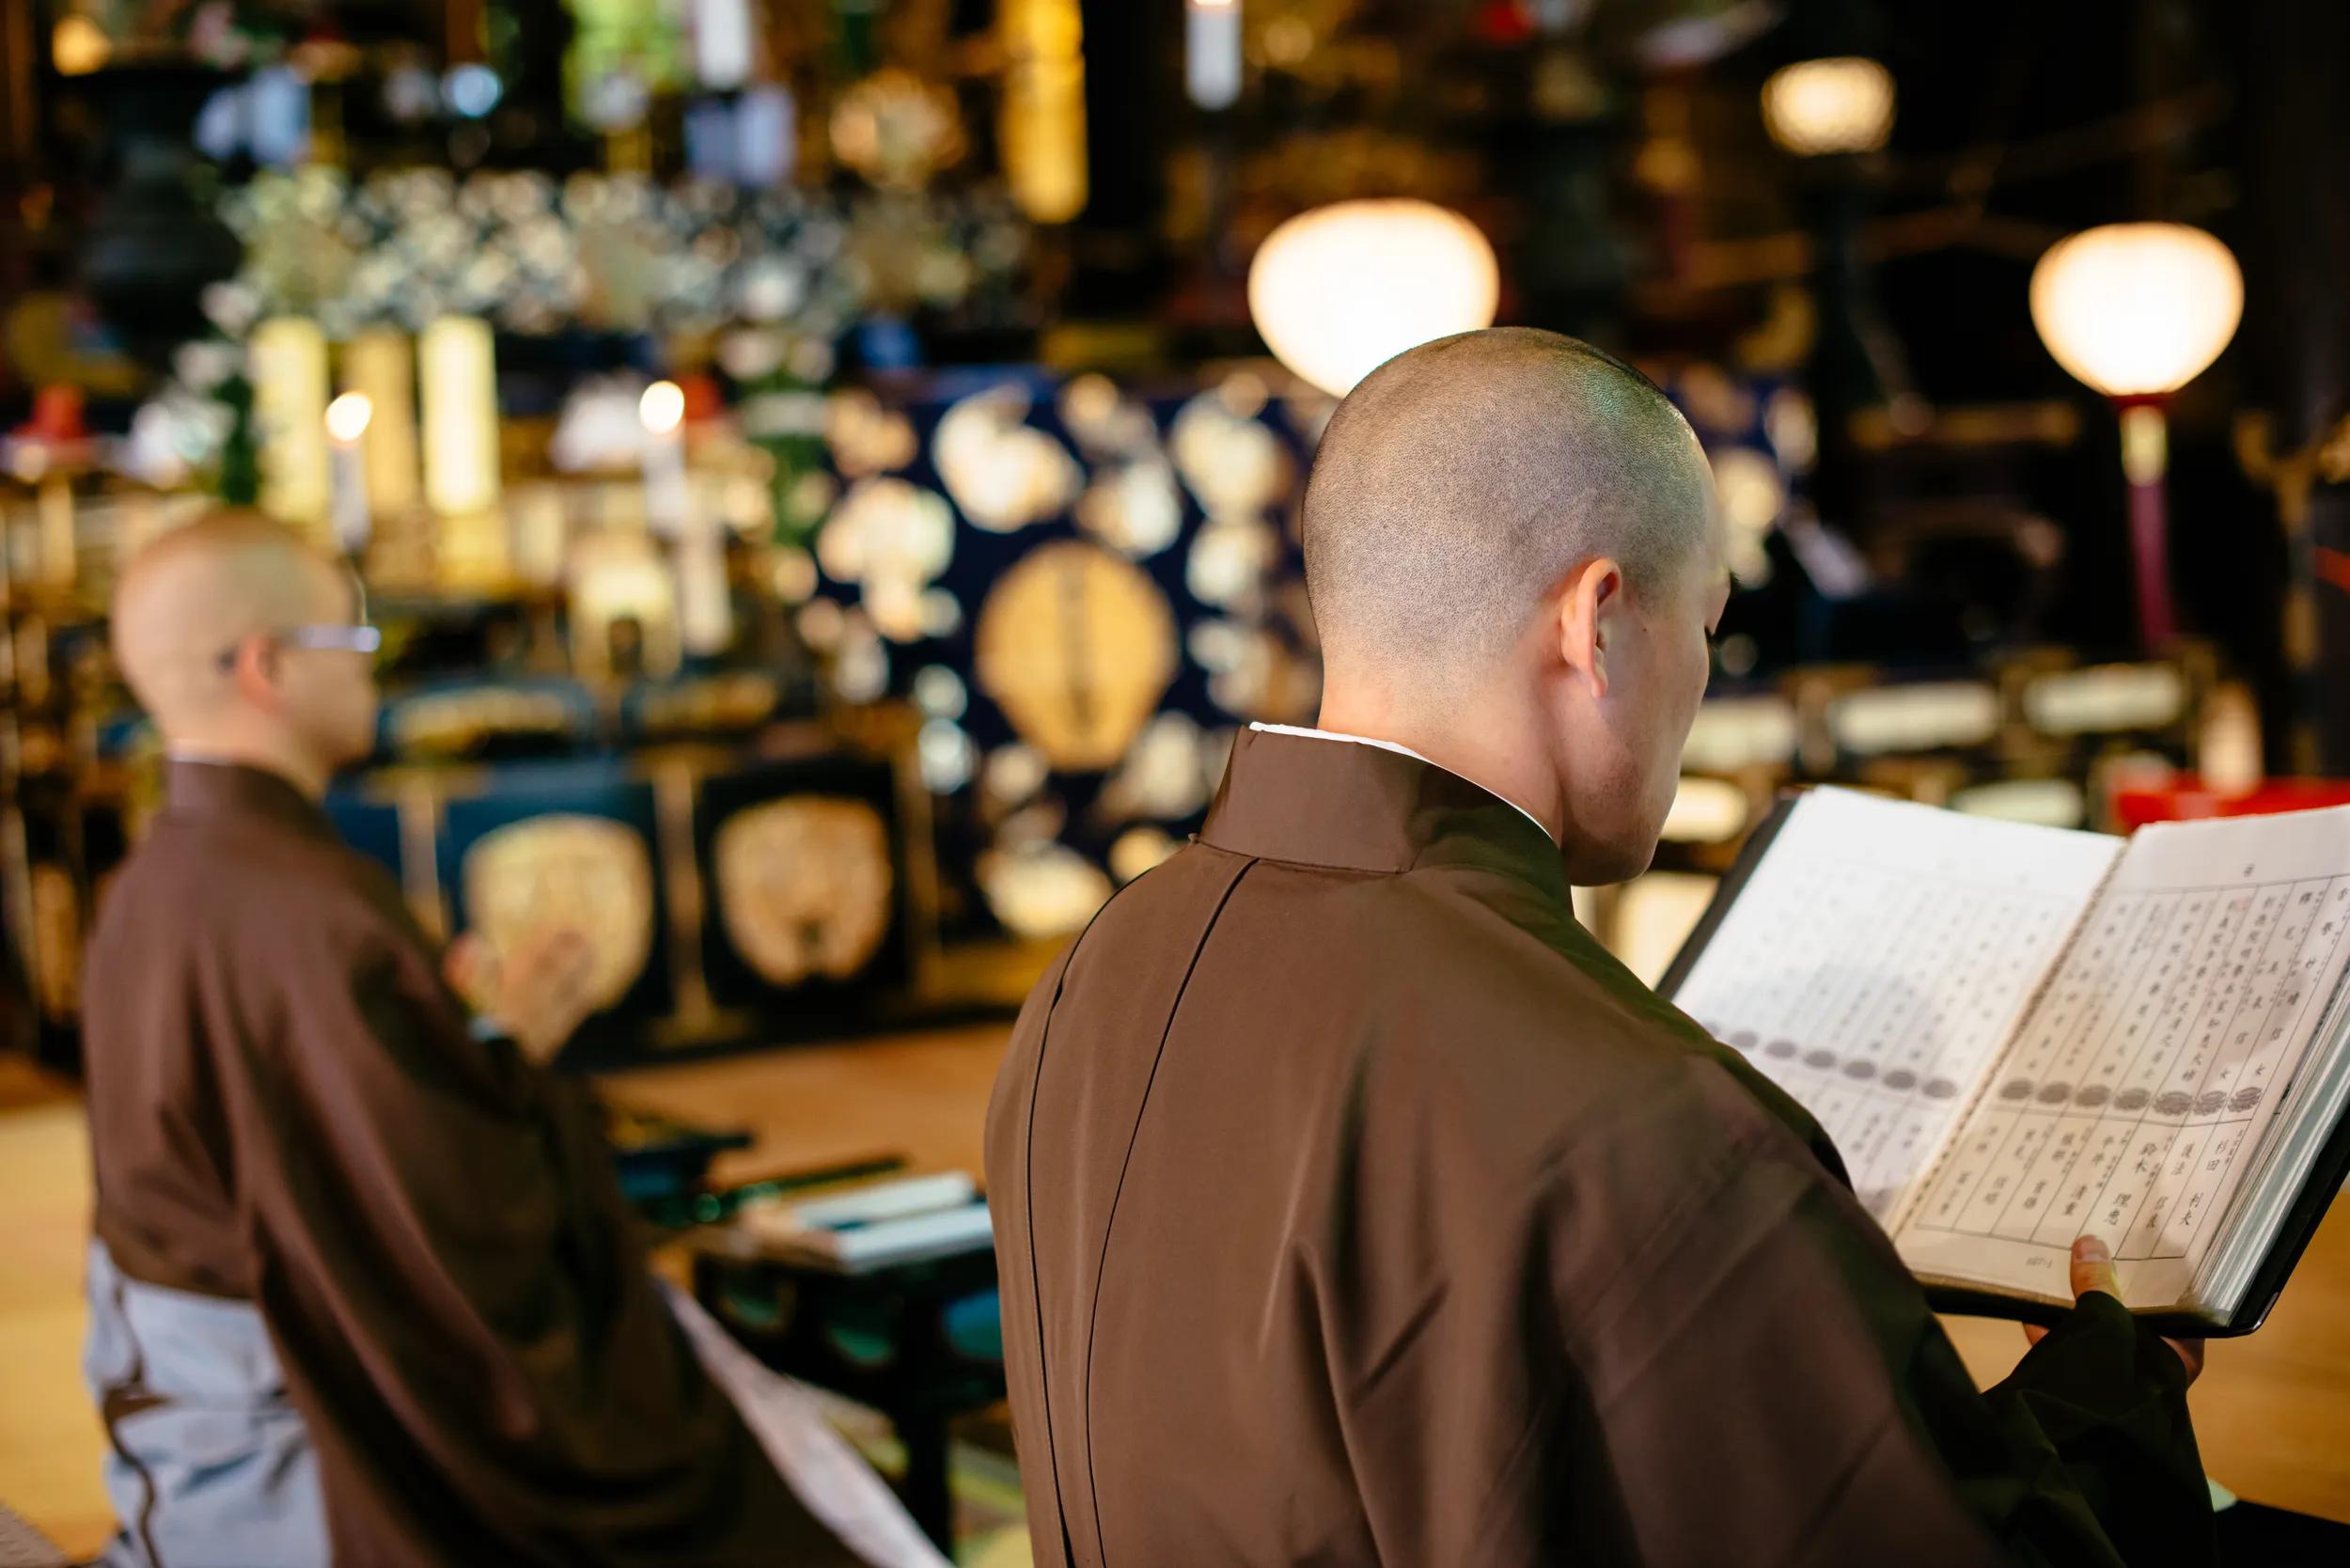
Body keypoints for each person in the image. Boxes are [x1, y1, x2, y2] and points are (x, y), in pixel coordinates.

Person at [985, 329, 2213, 1567]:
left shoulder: (1095, 972)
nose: (1700, 682)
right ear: (1599, 623)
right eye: (1708, 627)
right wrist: (2111, 1409)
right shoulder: (1648, 1127)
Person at [81, 512, 860, 1566]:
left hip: (193, 1409)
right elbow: (444, 1252)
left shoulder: (159, 881)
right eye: (351, 644)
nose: (372, 677)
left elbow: (326, 1170)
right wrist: (509, 1068)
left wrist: (477, 1043)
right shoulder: (307, 918)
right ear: (266, 666)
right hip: (300, 1451)